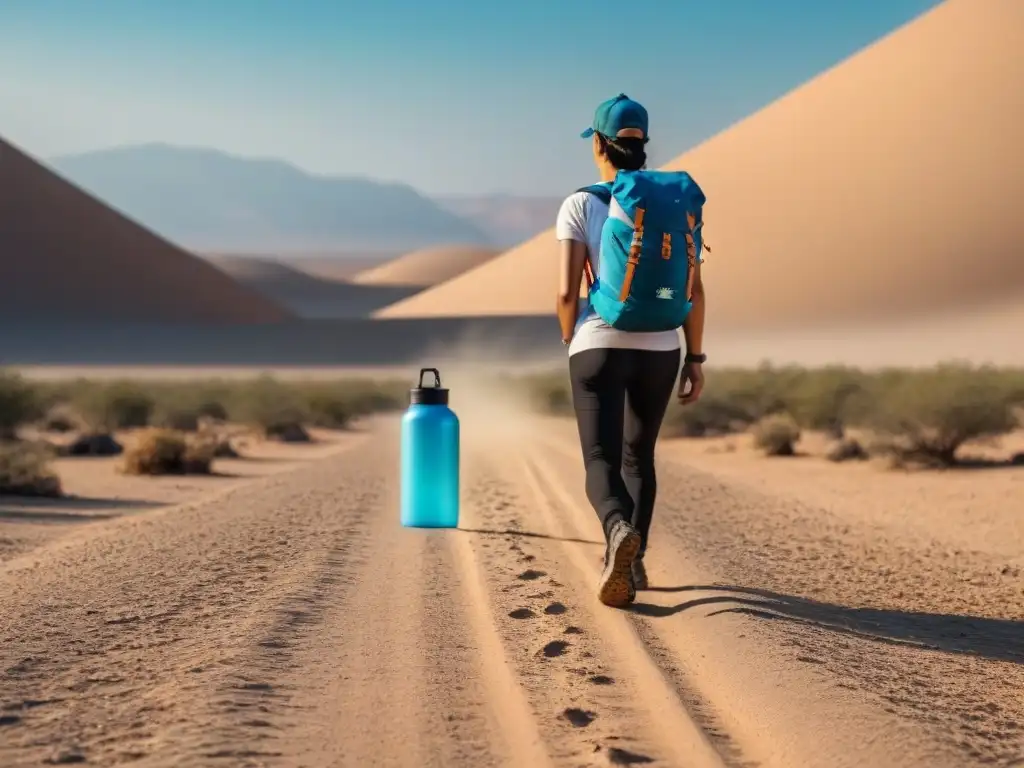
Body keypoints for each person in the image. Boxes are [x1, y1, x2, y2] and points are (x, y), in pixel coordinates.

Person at [555, 94, 707, 607]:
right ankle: (634, 565)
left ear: (599, 143)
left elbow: (564, 292)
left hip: (598, 339)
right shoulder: (673, 202)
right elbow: (695, 290)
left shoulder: (580, 203)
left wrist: (569, 340)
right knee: (638, 457)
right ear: (642, 146)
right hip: (663, 344)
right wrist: (696, 357)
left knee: (599, 457)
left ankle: (617, 530)